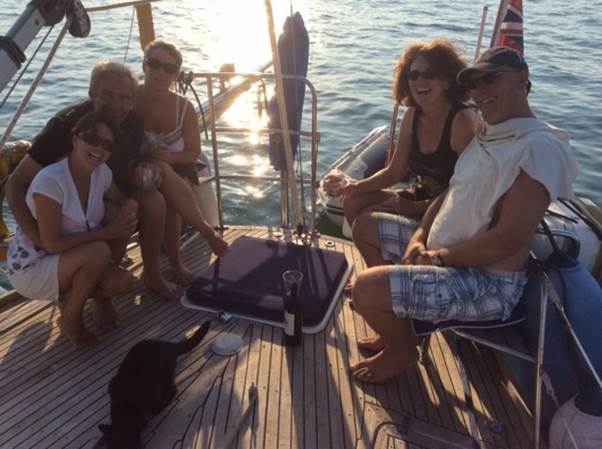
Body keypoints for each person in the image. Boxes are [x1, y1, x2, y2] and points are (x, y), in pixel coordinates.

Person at [349, 47, 578, 383]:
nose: (480, 90)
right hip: (446, 256)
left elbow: (507, 239)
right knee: (365, 227)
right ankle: (401, 329)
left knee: (366, 288)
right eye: (474, 82)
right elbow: (450, 192)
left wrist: (438, 258)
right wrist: (418, 238)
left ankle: (402, 350)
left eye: (491, 78)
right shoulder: (490, 134)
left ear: (522, 79)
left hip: (486, 283)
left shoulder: (539, 148)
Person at [6, 60, 195, 300]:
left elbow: (125, 166)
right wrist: (37, 238)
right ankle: (100, 290)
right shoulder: (65, 126)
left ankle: (151, 274)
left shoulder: (133, 123)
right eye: (108, 95)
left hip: (107, 190)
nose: (116, 105)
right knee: (115, 215)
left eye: (124, 97)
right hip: (65, 203)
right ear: (92, 93)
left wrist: (140, 176)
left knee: (152, 202)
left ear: (132, 100)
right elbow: (15, 184)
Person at [6, 112, 137, 348]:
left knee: (123, 281)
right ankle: (70, 318)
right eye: (92, 139)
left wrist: (131, 206)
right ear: (76, 139)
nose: (99, 148)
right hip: (33, 265)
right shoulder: (51, 182)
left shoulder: (101, 173)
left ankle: (76, 297)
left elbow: (122, 199)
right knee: (99, 250)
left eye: (107, 145)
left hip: (71, 258)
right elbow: (51, 244)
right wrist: (106, 234)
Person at [336, 39, 477, 226]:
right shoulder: (412, 116)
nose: (419, 81)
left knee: (366, 225)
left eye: (428, 74)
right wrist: (353, 187)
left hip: (451, 212)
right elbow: (394, 172)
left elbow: (467, 187)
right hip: (417, 198)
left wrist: (416, 208)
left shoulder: (462, 122)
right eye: (413, 75)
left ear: (447, 81)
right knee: (353, 202)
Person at [134, 39, 228, 284]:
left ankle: (174, 262)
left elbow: (193, 152)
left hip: (173, 169)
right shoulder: (129, 98)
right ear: (144, 65)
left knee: (168, 194)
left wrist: (171, 157)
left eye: (169, 68)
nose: (160, 73)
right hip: (132, 168)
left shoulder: (183, 108)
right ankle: (205, 233)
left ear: (176, 75)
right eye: (154, 63)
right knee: (162, 181)